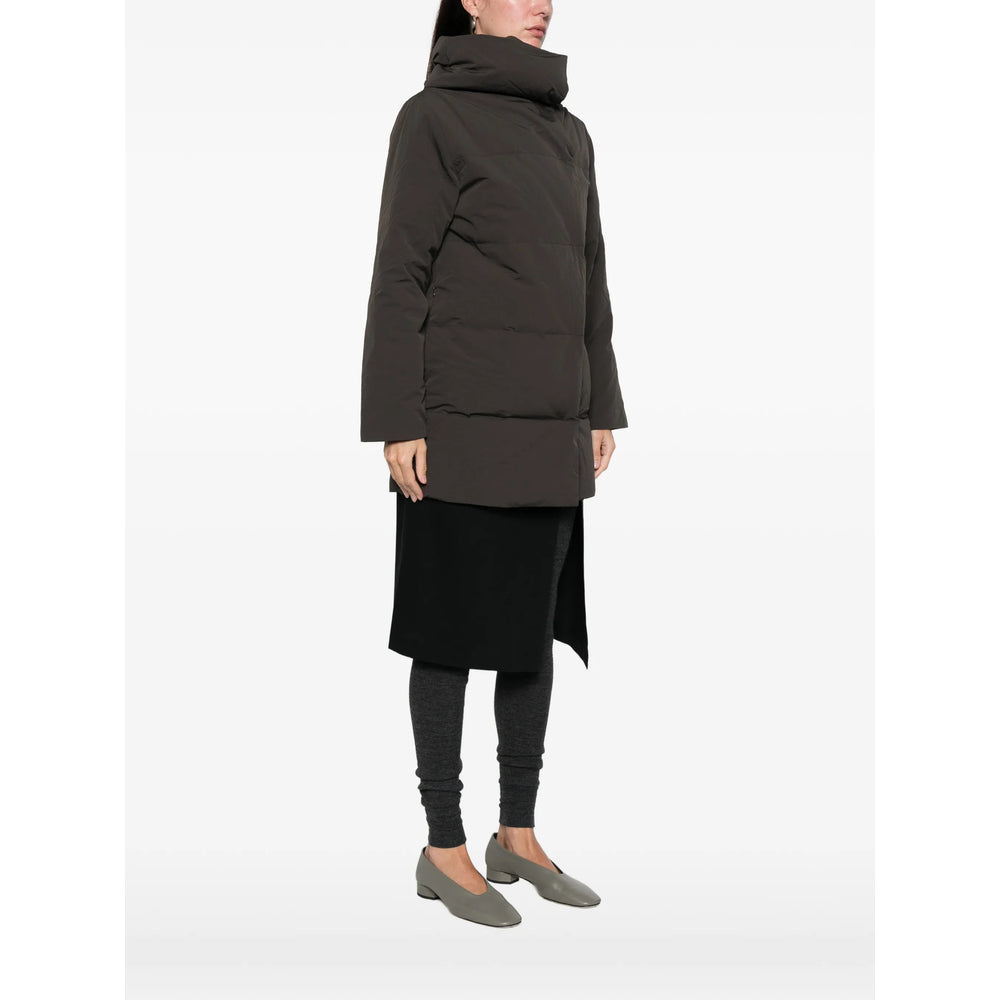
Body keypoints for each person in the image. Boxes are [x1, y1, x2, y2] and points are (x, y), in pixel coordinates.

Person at [360, 0, 628, 927]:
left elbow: (590, 274)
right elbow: (400, 271)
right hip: (457, 426)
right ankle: (443, 847)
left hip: (552, 424)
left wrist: (602, 404)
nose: (542, 4)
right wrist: (397, 419)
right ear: (471, 0)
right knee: (448, 635)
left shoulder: (570, 133)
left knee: (530, 632)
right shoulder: (431, 117)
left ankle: (517, 835)